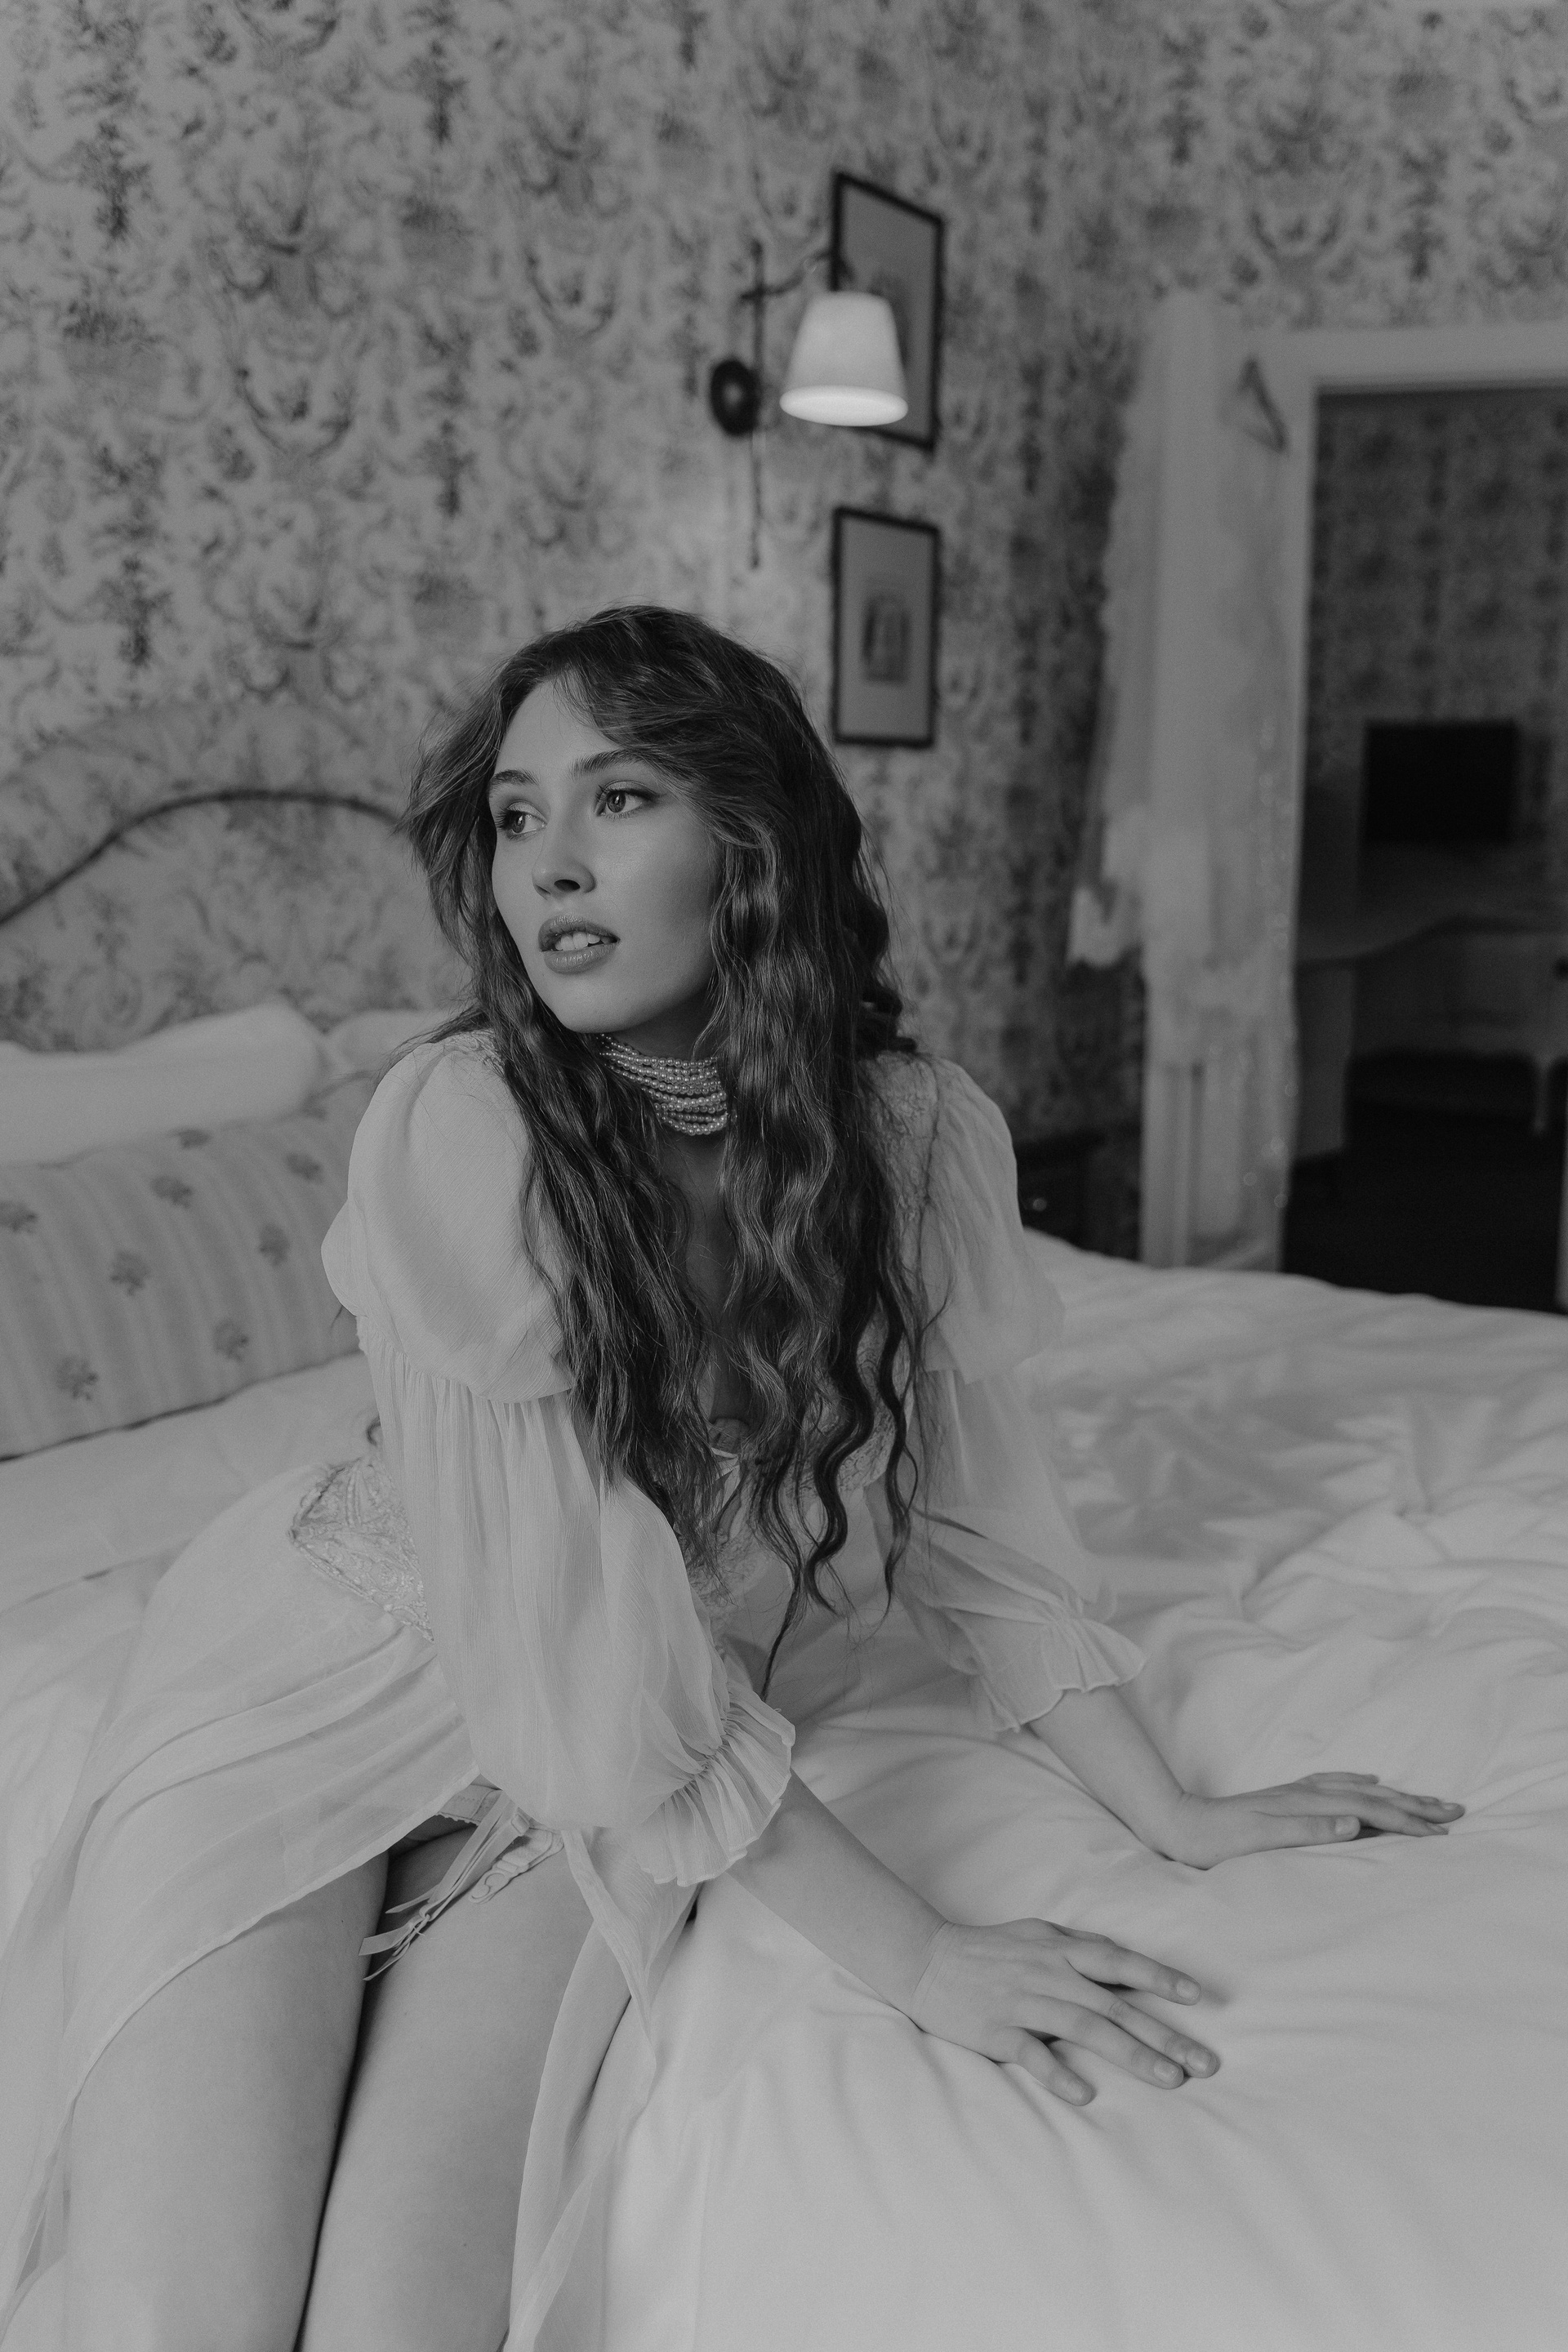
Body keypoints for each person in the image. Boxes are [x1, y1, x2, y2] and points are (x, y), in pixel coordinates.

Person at [0, 607, 1462, 2352]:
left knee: (403, 2321)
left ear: (748, 842)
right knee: (184, 2319)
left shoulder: (914, 1132)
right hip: (320, 1692)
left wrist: (1173, 1813)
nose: (550, 863)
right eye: (518, 816)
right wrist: (917, 1954)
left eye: (618, 799)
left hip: (586, 1761)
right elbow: (589, 1638)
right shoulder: (462, 1120)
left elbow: (978, 1535)